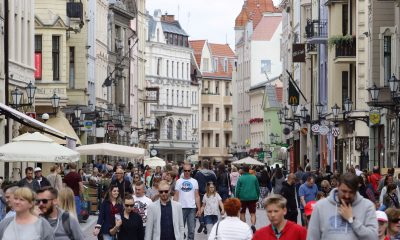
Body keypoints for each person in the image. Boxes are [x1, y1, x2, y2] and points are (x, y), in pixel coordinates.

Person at [307, 173, 379, 240]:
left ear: (356, 190)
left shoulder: (367, 206)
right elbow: (312, 237)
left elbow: (373, 237)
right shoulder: (320, 207)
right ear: (338, 186)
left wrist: (352, 220)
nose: (347, 196)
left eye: (351, 192)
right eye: (344, 191)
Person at [174, 163, 201, 240]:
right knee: (180, 230)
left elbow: (197, 196)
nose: (187, 172)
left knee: (191, 230)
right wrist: (173, 208)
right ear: (183, 171)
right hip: (180, 208)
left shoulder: (195, 181)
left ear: (191, 171)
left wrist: (199, 209)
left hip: (192, 208)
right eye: (185, 170)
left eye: (188, 171)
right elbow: (176, 195)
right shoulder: (178, 181)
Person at [235, 165, 259, 233]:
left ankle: (244, 227)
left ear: (242, 170)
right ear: (249, 170)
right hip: (253, 197)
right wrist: (257, 196)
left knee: (242, 213)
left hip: (242, 198)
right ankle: (253, 225)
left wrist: (237, 197)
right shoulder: (254, 177)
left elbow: (237, 189)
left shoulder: (240, 178)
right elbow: (257, 188)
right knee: (253, 213)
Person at [194, 161, 217, 234]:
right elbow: (215, 183)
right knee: (209, 210)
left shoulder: (198, 174)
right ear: (209, 165)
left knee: (201, 208)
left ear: (202, 166)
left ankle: (202, 222)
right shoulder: (212, 174)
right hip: (210, 194)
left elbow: (195, 184)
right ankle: (207, 226)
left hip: (201, 193)